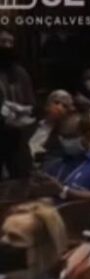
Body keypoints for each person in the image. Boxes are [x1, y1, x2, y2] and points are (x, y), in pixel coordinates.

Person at [44, 112, 90, 200]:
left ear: (87, 135)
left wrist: (65, 192)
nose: (66, 141)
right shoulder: (60, 163)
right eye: (63, 137)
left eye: (71, 137)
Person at [0, 29, 35, 179]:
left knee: (20, 174)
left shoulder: (20, 73)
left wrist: (24, 110)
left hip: (17, 134)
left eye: (11, 42)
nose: (8, 46)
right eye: (3, 42)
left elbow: (30, 102)